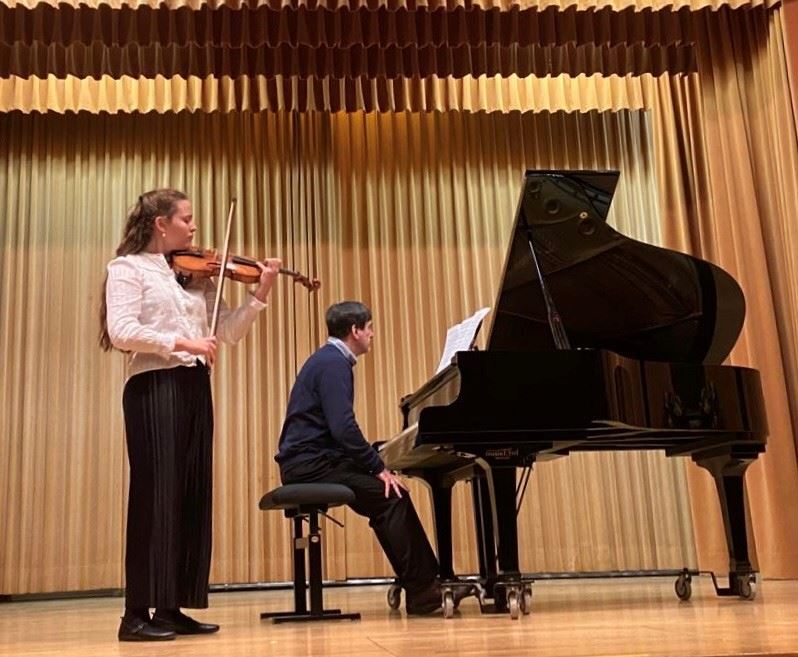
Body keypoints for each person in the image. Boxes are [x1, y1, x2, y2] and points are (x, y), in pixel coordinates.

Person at [99, 189, 281, 641]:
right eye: (186, 218)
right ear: (161, 224)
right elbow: (121, 331)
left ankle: (170, 606)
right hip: (154, 386)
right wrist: (183, 343)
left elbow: (227, 333)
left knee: (190, 493)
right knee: (155, 496)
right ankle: (134, 615)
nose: (194, 227)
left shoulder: (194, 276)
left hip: (195, 384)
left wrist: (260, 291)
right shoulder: (127, 269)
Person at [275, 301, 445, 615]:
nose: (372, 334)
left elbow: (336, 431)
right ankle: (424, 591)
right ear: (355, 331)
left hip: (311, 461)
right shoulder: (334, 363)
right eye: (369, 328)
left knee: (384, 495)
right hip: (311, 465)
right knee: (391, 495)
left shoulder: (327, 360)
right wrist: (376, 466)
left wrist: (373, 458)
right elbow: (343, 428)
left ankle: (418, 583)